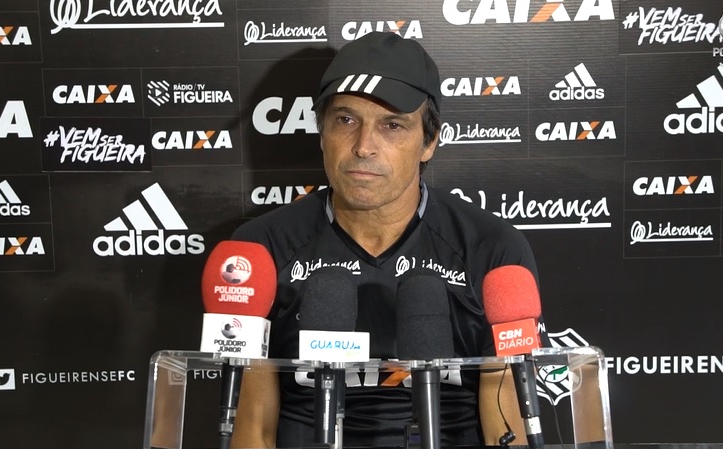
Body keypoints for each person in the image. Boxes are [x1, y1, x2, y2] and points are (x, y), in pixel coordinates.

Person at [229, 31, 543, 448]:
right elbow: (253, 430)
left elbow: (508, 427)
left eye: (392, 125)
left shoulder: (491, 248)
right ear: (321, 132)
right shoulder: (261, 249)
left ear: (429, 141)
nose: (363, 146)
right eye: (345, 120)